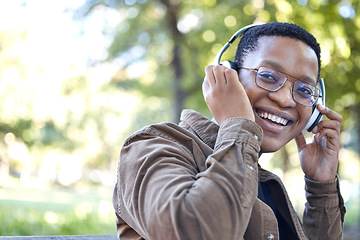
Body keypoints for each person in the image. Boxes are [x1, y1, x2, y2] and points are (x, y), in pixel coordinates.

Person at [112, 22, 345, 240]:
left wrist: (320, 188)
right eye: (268, 76)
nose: (285, 100)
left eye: (304, 90)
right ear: (228, 76)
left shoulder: (263, 181)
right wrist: (238, 122)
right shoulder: (152, 146)